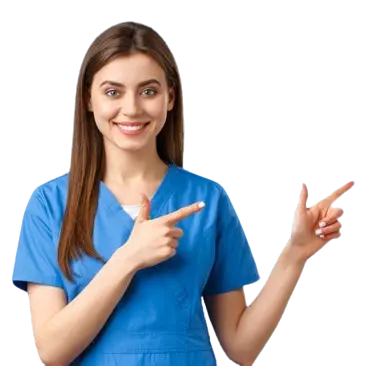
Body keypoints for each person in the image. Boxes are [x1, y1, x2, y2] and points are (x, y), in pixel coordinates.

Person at [10, 23, 353, 366]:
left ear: (170, 97)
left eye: (148, 91)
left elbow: (241, 347)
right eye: (113, 92)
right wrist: (129, 258)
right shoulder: (50, 205)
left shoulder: (206, 199)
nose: (131, 108)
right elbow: (52, 351)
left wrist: (294, 257)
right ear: (88, 98)